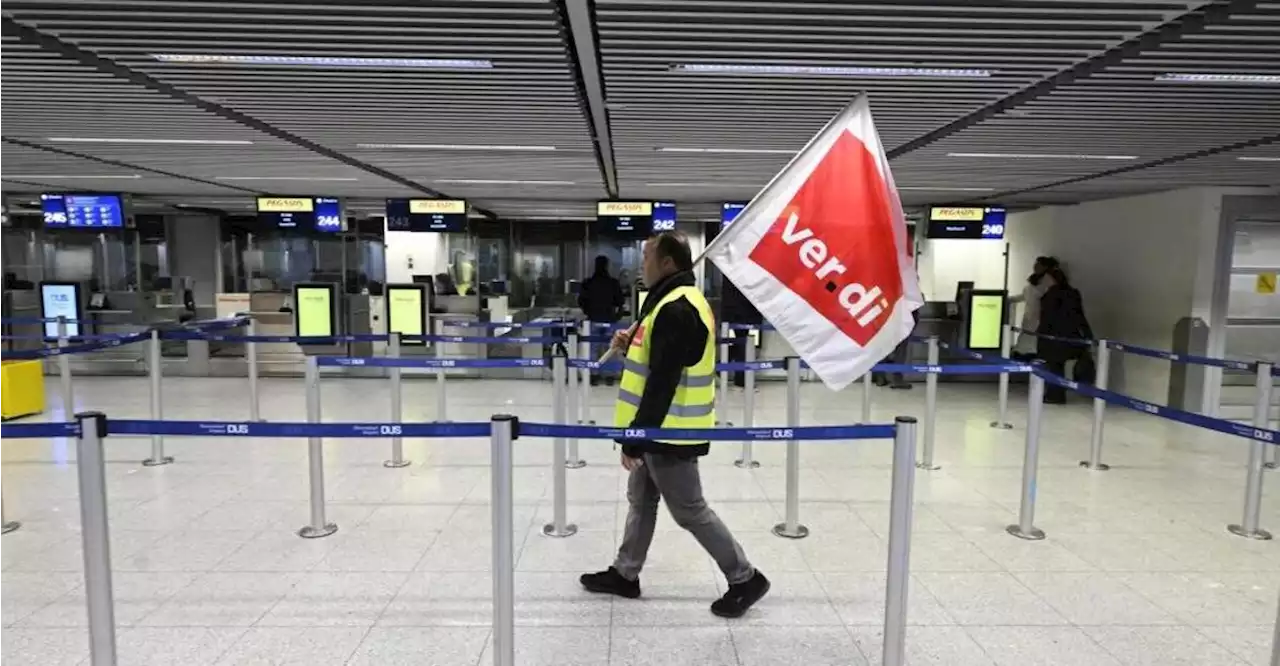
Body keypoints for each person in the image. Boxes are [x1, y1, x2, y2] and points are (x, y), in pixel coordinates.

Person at [580, 231, 770, 618]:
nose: (641, 264)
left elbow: (663, 380)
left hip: (669, 431)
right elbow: (658, 357)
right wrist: (632, 340)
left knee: (689, 510)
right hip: (658, 428)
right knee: (642, 499)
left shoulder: (678, 307)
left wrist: (637, 437)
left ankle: (745, 577)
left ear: (668, 262)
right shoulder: (667, 301)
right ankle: (625, 573)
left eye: (647, 256)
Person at [1037, 267, 1093, 404]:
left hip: (1053, 336)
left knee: (1054, 366)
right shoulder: (1073, 293)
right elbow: (1080, 316)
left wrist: (1040, 335)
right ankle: (1057, 393)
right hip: (1070, 336)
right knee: (1058, 364)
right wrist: (1088, 336)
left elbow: (1047, 317)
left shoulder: (1051, 294)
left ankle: (1055, 394)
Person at [578, 255, 626, 385]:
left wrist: (588, 312)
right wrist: (616, 316)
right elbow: (621, 301)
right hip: (609, 320)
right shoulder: (613, 283)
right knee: (610, 348)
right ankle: (609, 375)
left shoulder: (588, 283)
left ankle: (593, 375)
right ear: (606, 266)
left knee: (592, 348)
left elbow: (581, 301)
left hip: (593, 320)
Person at [1011, 256, 1059, 359]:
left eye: (1039, 264)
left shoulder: (1048, 281)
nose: (1035, 266)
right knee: (1026, 335)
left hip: (1038, 315)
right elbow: (1025, 295)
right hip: (1029, 314)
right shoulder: (1034, 279)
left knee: (1033, 338)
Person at [718, 277, 762, 388]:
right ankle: (740, 378)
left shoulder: (731, 270)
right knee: (742, 343)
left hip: (734, 311)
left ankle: (723, 366)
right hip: (742, 311)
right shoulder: (741, 272)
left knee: (740, 343)